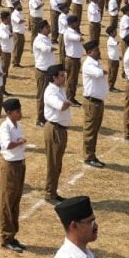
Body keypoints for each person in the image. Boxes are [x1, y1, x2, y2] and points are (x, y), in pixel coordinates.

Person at [0, 98, 28, 253]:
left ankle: (13, 234)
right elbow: (7, 144)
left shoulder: (18, 125)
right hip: (10, 166)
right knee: (8, 202)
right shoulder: (5, 127)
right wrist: (20, 142)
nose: (20, 113)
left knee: (16, 200)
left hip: (19, 164)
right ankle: (6, 237)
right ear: (9, 113)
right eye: (17, 111)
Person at [43, 65, 71, 204]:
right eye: (61, 75)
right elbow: (61, 106)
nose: (64, 77)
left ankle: (53, 191)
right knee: (53, 163)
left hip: (61, 129)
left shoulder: (59, 89)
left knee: (57, 163)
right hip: (55, 129)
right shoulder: (50, 92)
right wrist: (67, 103)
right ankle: (50, 193)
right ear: (54, 77)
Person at [80, 41, 107, 169]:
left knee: (95, 130)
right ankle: (88, 156)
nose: (99, 51)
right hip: (92, 102)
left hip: (98, 102)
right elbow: (99, 73)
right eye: (96, 50)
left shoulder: (96, 63)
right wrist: (104, 71)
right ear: (89, 52)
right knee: (90, 130)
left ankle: (92, 154)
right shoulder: (88, 64)